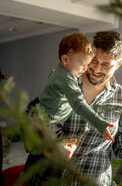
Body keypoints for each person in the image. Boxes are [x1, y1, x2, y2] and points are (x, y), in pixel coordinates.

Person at [59, 31, 122, 186]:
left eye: (106, 64)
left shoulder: (120, 97)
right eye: (93, 60)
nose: (96, 69)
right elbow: (35, 123)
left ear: (119, 64)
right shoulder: (64, 83)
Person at [24, 32, 114, 185]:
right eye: (82, 65)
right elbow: (79, 104)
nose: (85, 69)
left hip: (50, 120)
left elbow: (52, 76)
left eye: (87, 65)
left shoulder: (60, 71)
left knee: (41, 159)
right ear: (65, 59)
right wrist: (100, 124)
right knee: (51, 163)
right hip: (47, 122)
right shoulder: (66, 79)